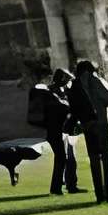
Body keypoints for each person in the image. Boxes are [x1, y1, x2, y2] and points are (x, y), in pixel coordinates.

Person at [70, 58, 108, 202]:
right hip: (100, 124)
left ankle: (99, 195)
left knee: (94, 160)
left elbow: (73, 110)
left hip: (87, 126)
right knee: (106, 160)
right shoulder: (94, 82)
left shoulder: (74, 87)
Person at [27, 65, 79, 196]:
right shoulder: (50, 92)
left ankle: (58, 186)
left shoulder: (57, 90)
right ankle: (56, 188)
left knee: (62, 157)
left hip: (57, 128)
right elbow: (60, 107)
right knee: (61, 156)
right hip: (53, 128)